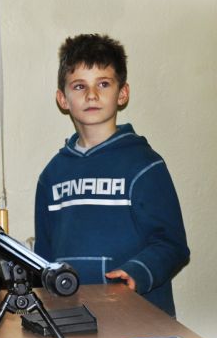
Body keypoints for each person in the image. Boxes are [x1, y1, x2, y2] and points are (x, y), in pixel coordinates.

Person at [34, 33, 190, 317]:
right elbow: (44, 258)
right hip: (74, 316)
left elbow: (173, 245)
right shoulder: (51, 175)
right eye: (79, 86)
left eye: (103, 84)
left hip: (140, 318)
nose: (91, 95)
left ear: (122, 94)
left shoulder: (145, 165)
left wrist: (137, 272)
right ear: (63, 99)